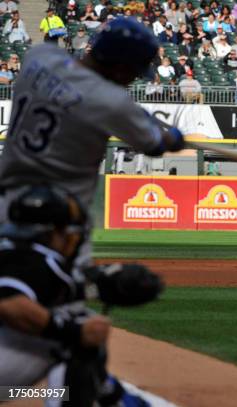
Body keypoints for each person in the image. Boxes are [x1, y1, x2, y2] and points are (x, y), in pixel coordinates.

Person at [0, 18, 184, 269]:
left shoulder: (39, 57)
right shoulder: (111, 102)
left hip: (6, 206)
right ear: (120, 67)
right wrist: (173, 135)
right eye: (133, 72)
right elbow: (156, 144)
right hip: (59, 223)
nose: (132, 79)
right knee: (57, 299)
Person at [0, 185, 162, 406]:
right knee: (78, 328)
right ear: (52, 232)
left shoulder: (15, 252)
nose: (72, 237)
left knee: (73, 321)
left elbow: (55, 289)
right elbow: (10, 305)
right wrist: (74, 333)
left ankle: (109, 394)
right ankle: (110, 397)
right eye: (67, 230)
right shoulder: (33, 259)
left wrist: (95, 284)